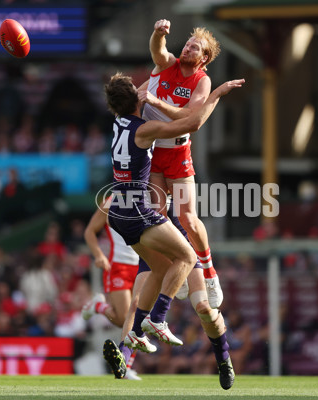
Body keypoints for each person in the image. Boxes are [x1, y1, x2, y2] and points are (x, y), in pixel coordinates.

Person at [100, 72, 242, 386]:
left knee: (192, 295)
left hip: (125, 215)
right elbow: (190, 124)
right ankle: (147, 330)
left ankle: (221, 359)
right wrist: (216, 93)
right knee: (176, 266)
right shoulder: (149, 133)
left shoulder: (121, 126)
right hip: (143, 216)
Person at [139, 19, 224, 308]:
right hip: (152, 153)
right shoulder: (168, 65)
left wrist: (156, 102)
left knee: (188, 218)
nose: (188, 47)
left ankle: (210, 273)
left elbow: (189, 118)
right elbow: (158, 51)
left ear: (205, 58)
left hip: (178, 153)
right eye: (188, 43)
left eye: (195, 47)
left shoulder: (202, 81)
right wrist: (157, 33)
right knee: (159, 219)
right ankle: (181, 269)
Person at [82, 196, 142, 380]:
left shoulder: (149, 198)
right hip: (118, 267)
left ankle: (127, 366)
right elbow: (90, 231)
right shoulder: (111, 201)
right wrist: (99, 255)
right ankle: (98, 306)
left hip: (142, 266)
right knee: (124, 319)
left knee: (139, 318)